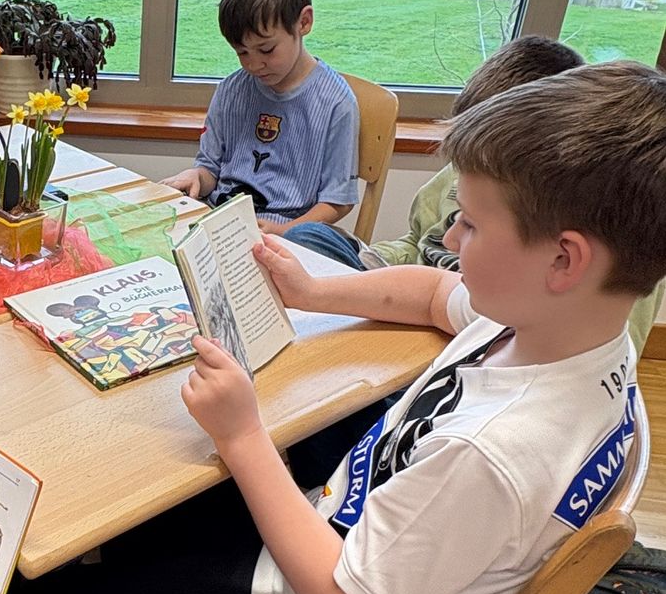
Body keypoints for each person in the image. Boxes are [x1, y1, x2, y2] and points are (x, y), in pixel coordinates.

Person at [28, 60, 665, 594]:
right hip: (359, 559)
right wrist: (312, 291)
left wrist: (243, 435)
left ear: (564, 259)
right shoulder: (568, 337)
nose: (450, 240)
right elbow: (435, 297)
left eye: (468, 223)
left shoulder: (496, 452)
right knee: (148, 525)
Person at [282, 36, 664, 355]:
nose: (452, 235)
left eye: (471, 223)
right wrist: (357, 270)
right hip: (443, 305)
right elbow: (420, 246)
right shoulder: (465, 192)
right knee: (310, 241)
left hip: (450, 343)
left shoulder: (592, 289)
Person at [164, 0, 359, 233]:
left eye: (266, 49)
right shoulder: (232, 90)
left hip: (293, 237)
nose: (254, 64)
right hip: (223, 224)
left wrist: (287, 230)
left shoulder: (336, 103)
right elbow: (210, 171)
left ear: (303, 22)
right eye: (241, 52)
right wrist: (196, 176)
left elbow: (337, 202)